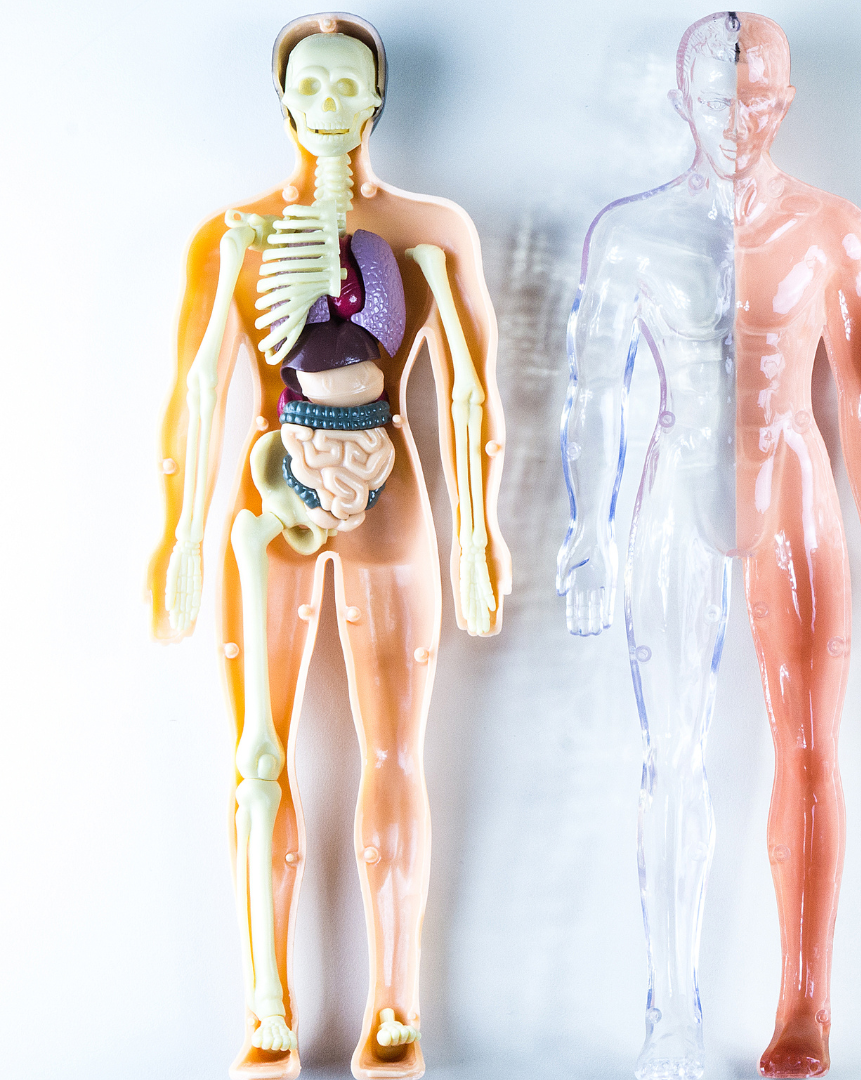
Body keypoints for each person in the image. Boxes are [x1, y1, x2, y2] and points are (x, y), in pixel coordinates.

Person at [557, 12, 861, 1078]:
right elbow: (593, 393)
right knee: (669, 755)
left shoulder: (833, 229)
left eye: (755, 98)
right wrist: (587, 535)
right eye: (717, 99)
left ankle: (803, 1006)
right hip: (676, 484)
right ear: (683, 103)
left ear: (784, 104)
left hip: (793, 478)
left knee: (808, 746)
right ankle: (670, 1013)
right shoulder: (632, 234)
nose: (735, 118)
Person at [147, 14, 510, 1079]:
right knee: (258, 759)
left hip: (389, 492)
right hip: (270, 495)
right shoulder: (236, 236)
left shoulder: (431, 230)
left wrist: (480, 533)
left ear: (378, 98)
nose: (331, 106)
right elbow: (200, 389)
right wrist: (177, 537)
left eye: (349, 86)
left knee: (395, 754)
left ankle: (395, 1006)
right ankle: (267, 1006)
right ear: (285, 101)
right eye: (312, 87)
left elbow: (474, 391)